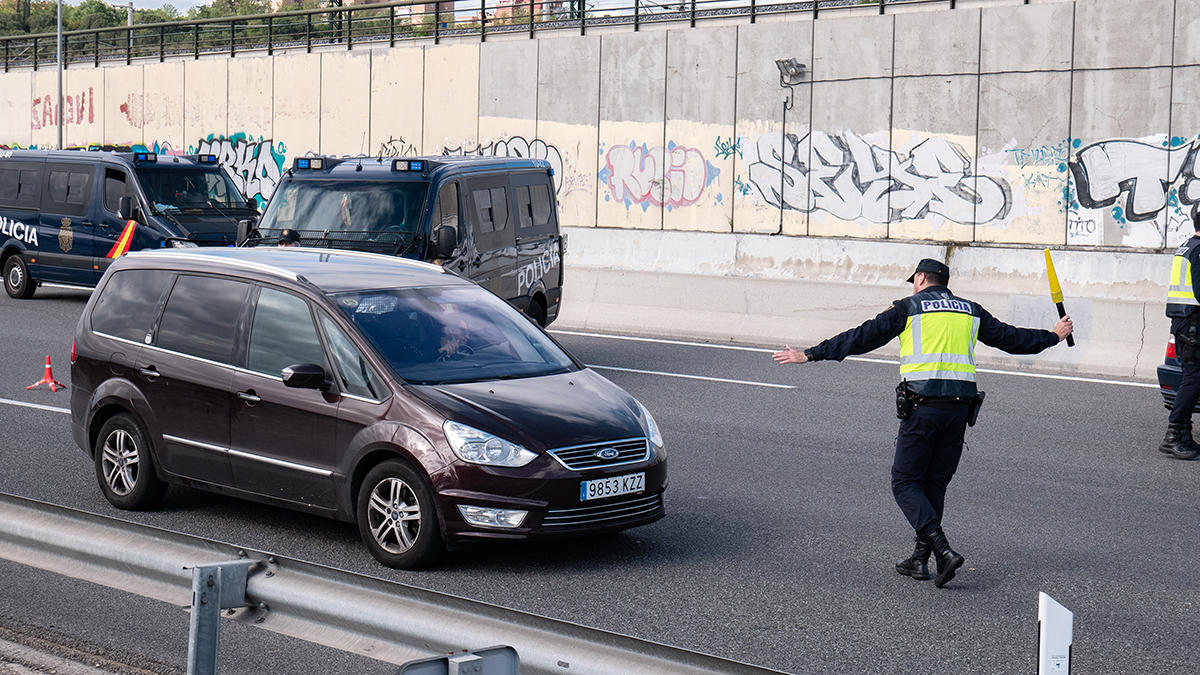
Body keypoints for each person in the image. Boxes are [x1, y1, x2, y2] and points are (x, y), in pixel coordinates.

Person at [772, 258, 1073, 588]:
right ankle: (920, 559)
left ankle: (942, 550)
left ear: (919, 279)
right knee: (934, 484)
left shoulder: (909, 308)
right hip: (959, 411)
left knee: (904, 482)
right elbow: (1011, 339)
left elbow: (862, 336)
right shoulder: (971, 310)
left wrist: (811, 354)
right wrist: (1052, 336)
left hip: (923, 407)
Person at [1162, 213, 1200, 460]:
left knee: (1192, 378)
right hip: (1194, 325)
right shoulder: (1198, 251)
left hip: (1185, 323)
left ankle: (1184, 436)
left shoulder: (1186, 247)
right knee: (1193, 379)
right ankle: (1173, 436)